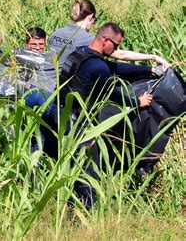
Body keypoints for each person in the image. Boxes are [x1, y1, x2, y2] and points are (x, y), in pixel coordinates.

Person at [59, 22, 156, 209]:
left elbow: (115, 68)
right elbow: (112, 93)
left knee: (71, 168)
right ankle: (84, 214)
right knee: (89, 170)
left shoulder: (79, 54)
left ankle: (69, 207)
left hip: (62, 115)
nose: (117, 49)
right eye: (116, 45)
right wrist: (137, 102)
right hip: (79, 123)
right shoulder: (97, 66)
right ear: (105, 40)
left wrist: (147, 69)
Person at [46, 0, 170, 91]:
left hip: (45, 83)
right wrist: (152, 57)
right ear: (90, 17)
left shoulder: (56, 33)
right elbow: (121, 55)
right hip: (62, 89)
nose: (93, 26)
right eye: (94, 21)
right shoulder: (87, 38)